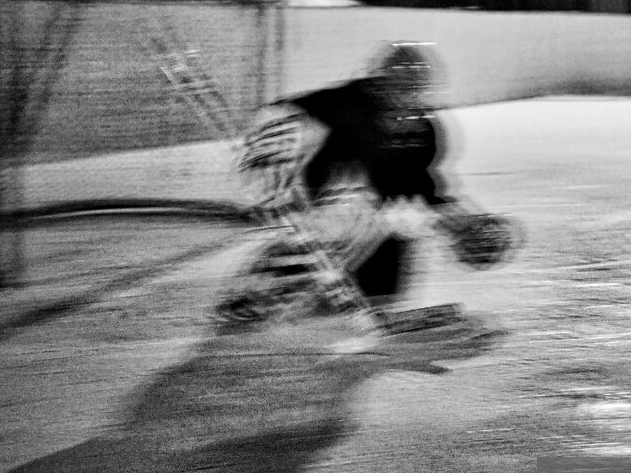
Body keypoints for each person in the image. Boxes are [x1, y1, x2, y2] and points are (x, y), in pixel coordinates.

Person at [214, 41, 517, 346]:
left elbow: (418, 189)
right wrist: (271, 169)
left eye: (412, 93)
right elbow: (282, 126)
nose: (402, 103)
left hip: (344, 199)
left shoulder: (423, 132)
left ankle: (376, 294)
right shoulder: (344, 110)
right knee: (347, 221)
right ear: (378, 84)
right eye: (394, 90)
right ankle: (257, 295)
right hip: (304, 184)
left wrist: (458, 221)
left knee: (385, 220)